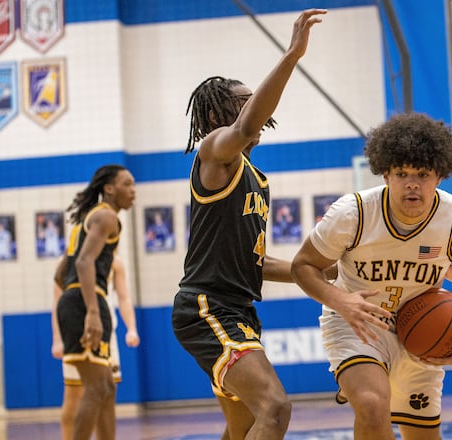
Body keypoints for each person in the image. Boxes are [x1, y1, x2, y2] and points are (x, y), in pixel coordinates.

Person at [170, 9, 326, 440]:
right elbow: (244, 125)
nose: (254, 100)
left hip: (238, 309)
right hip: (207, 308)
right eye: (244, 97)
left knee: (243, 426)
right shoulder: (215, 152)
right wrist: (292, 55)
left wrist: (317, 270)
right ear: (223, 111)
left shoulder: (257, 178)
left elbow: (254, 262)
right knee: (275, 409)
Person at [291, 112, 452, 440]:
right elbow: (302, 266)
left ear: (439, 175)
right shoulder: (353, 214)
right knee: (371, 404)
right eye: (401, 173)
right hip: (358, 324)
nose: (412, 183)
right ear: (384, 174)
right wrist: (342, 301)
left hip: (420, 330)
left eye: (422, 174)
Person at [53, 164, 136, 440]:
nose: (133, 190)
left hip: (77, 298)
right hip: (85, 301)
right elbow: (84, 261)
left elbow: (60, 273)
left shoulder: (88, 220)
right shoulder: (107, 217)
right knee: (95, 389)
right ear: (109, 188)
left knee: (106, 388)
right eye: (127, 184)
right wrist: (91, 311)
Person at [52, 255, 140, 440]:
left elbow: (123, 297)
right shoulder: (68, 261)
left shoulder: (115, 262)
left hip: (107, 333)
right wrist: (58, 339)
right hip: (76, 330)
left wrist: (131, 328)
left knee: (106, 396)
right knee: (73, 398)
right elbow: (57, 301)